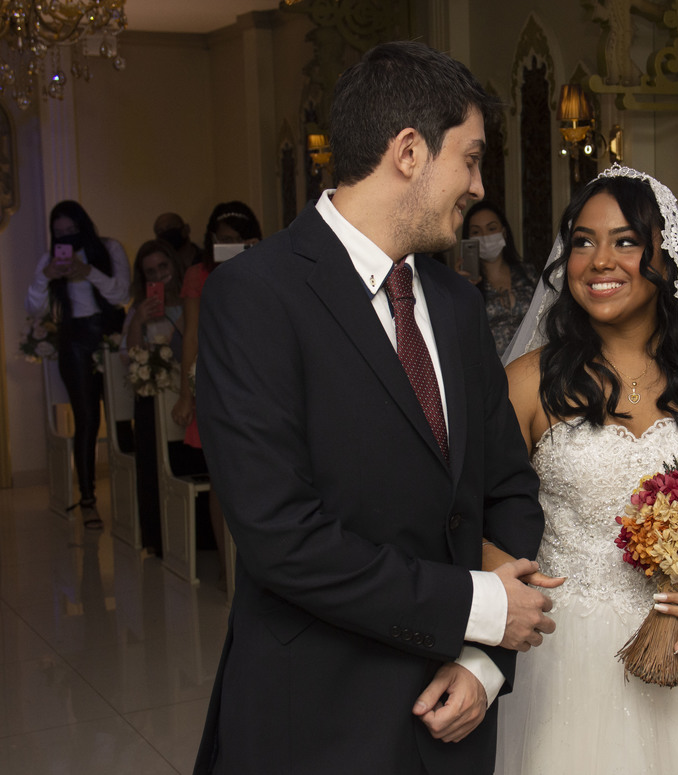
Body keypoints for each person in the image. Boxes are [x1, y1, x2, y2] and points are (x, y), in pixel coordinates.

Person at [191, 41, 554, 775]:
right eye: (472, 158)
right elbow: (280, 535)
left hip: (453, 715)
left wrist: (485, 664)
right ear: (410, 152)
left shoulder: (453, 302)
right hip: (317, 721)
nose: (480, 187)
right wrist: (478, 609)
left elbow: (507, 486)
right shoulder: (255, 296)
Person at [496, 166, 678, 773]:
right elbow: (476, 513)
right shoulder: (527, 384)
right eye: (583, 241)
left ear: (665, 256)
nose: (601, 260)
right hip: (565, 653)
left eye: (626, 241)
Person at [172, 200, 262, 588]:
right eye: (222, 239)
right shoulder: (198, 274)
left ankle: (259, 566)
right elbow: (190, 334)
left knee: (260, 476)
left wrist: (256, 260)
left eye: (237, 241)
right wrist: (185, 393)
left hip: (258, 376)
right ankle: (227, 566)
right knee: (219, 477)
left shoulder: (265, 265)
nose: (228, 246)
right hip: (213, 376)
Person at [26, 200, 130, 531]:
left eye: (72, 231)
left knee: (123, 415)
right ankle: (88, 500)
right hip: (73, 340)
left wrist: (89, 272)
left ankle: (132, 496)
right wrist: (46, 277)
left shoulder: (109, 248)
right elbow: (35, 309)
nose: (67, 239)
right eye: (59, 234)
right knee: (86, 418)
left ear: (83, 225)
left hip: (110, 334)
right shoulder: (49, 260)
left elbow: (121, 294)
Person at [121, 239, 189, 556]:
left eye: (163, 267)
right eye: (151, 272)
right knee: (147, 420)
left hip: (189, 389)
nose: (159, 276)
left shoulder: (192, 302)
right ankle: (157, 536)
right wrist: (138, 321)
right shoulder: (138, 311)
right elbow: (132, 357)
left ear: (174, 267)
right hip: (154, 393)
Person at [462, 200, 537, 354]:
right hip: (490, 369)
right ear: (468, 239)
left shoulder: (528, 273)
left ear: (503, 232)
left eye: (491, 228)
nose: (485, 236)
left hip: (531, 363)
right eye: (476, 232)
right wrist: (460, 288)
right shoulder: (463, 283)